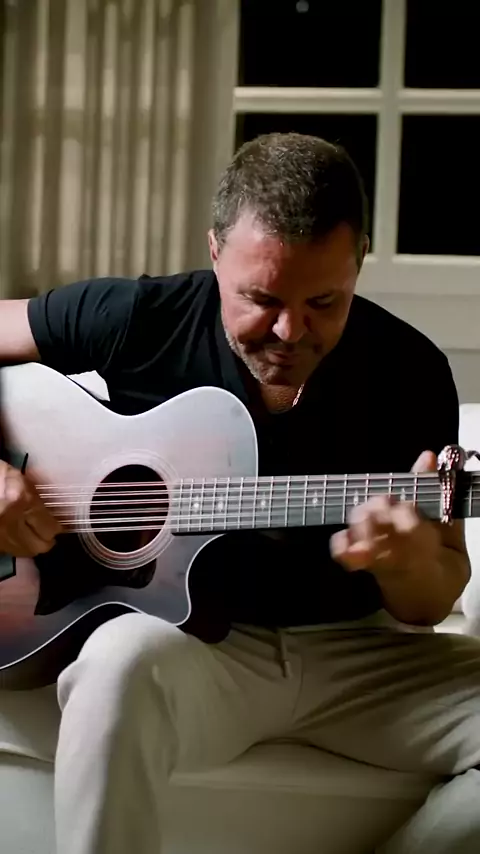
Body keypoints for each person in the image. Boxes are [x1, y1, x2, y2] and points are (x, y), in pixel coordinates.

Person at [0, 131, 478, 854]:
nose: (290, 330)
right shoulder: (142, 317)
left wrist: (407, 562)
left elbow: (433, 601)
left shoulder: (410, 369)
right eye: (261, 298)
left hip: (360, 655)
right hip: (196, 651)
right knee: (117, 663)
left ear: (358, 260)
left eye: (324, 301)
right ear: (215, 250)